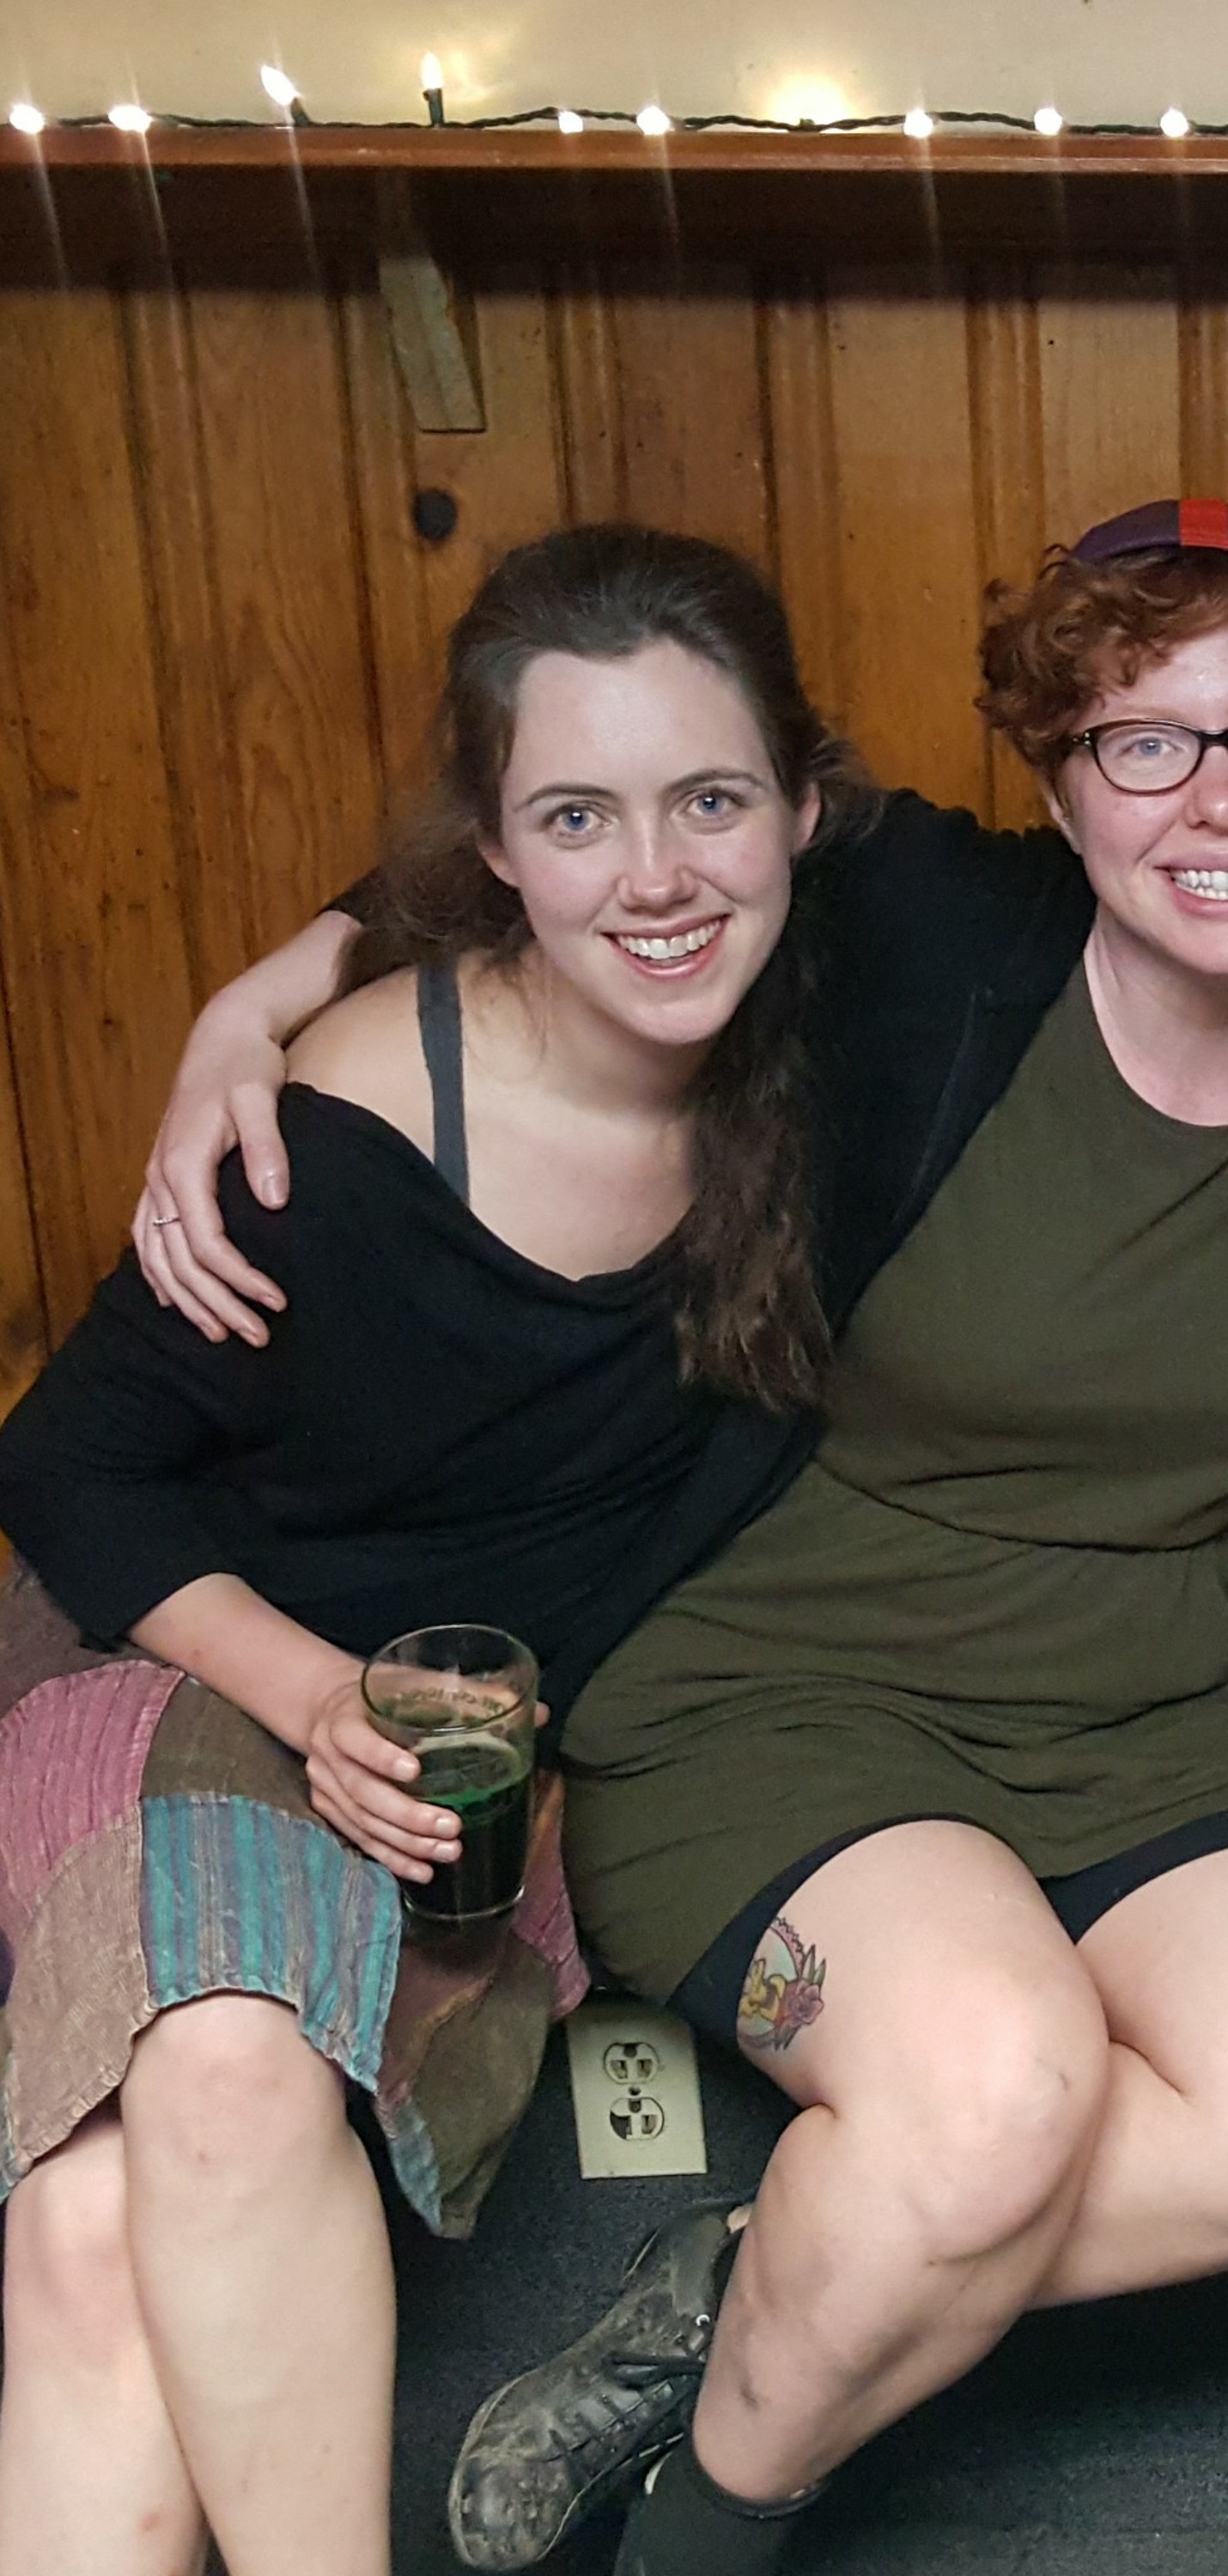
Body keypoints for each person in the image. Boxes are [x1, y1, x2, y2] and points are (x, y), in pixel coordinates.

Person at [125, 500, 1228, 2576]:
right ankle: (720, 2528)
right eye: (1146, 742)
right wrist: (265, 994)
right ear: (1059, 783)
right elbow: (595, 846)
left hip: (1161, 1700)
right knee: (989, 2092)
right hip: (784, 1689)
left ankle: (755, 2277)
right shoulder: (939, 929)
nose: (1220, 797)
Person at [0, 523, 854, 2576]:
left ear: (802, 810)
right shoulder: (352, 1116)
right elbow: (71, 1470)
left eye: (710, 800)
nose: (655, 875)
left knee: (95, 2224)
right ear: (493, 847)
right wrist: (320, 1696)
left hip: (483, 1770)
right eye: (576, 817)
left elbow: (1184, 849)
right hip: (206, 1660)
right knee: (215, 2076)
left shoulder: (853, 1014)